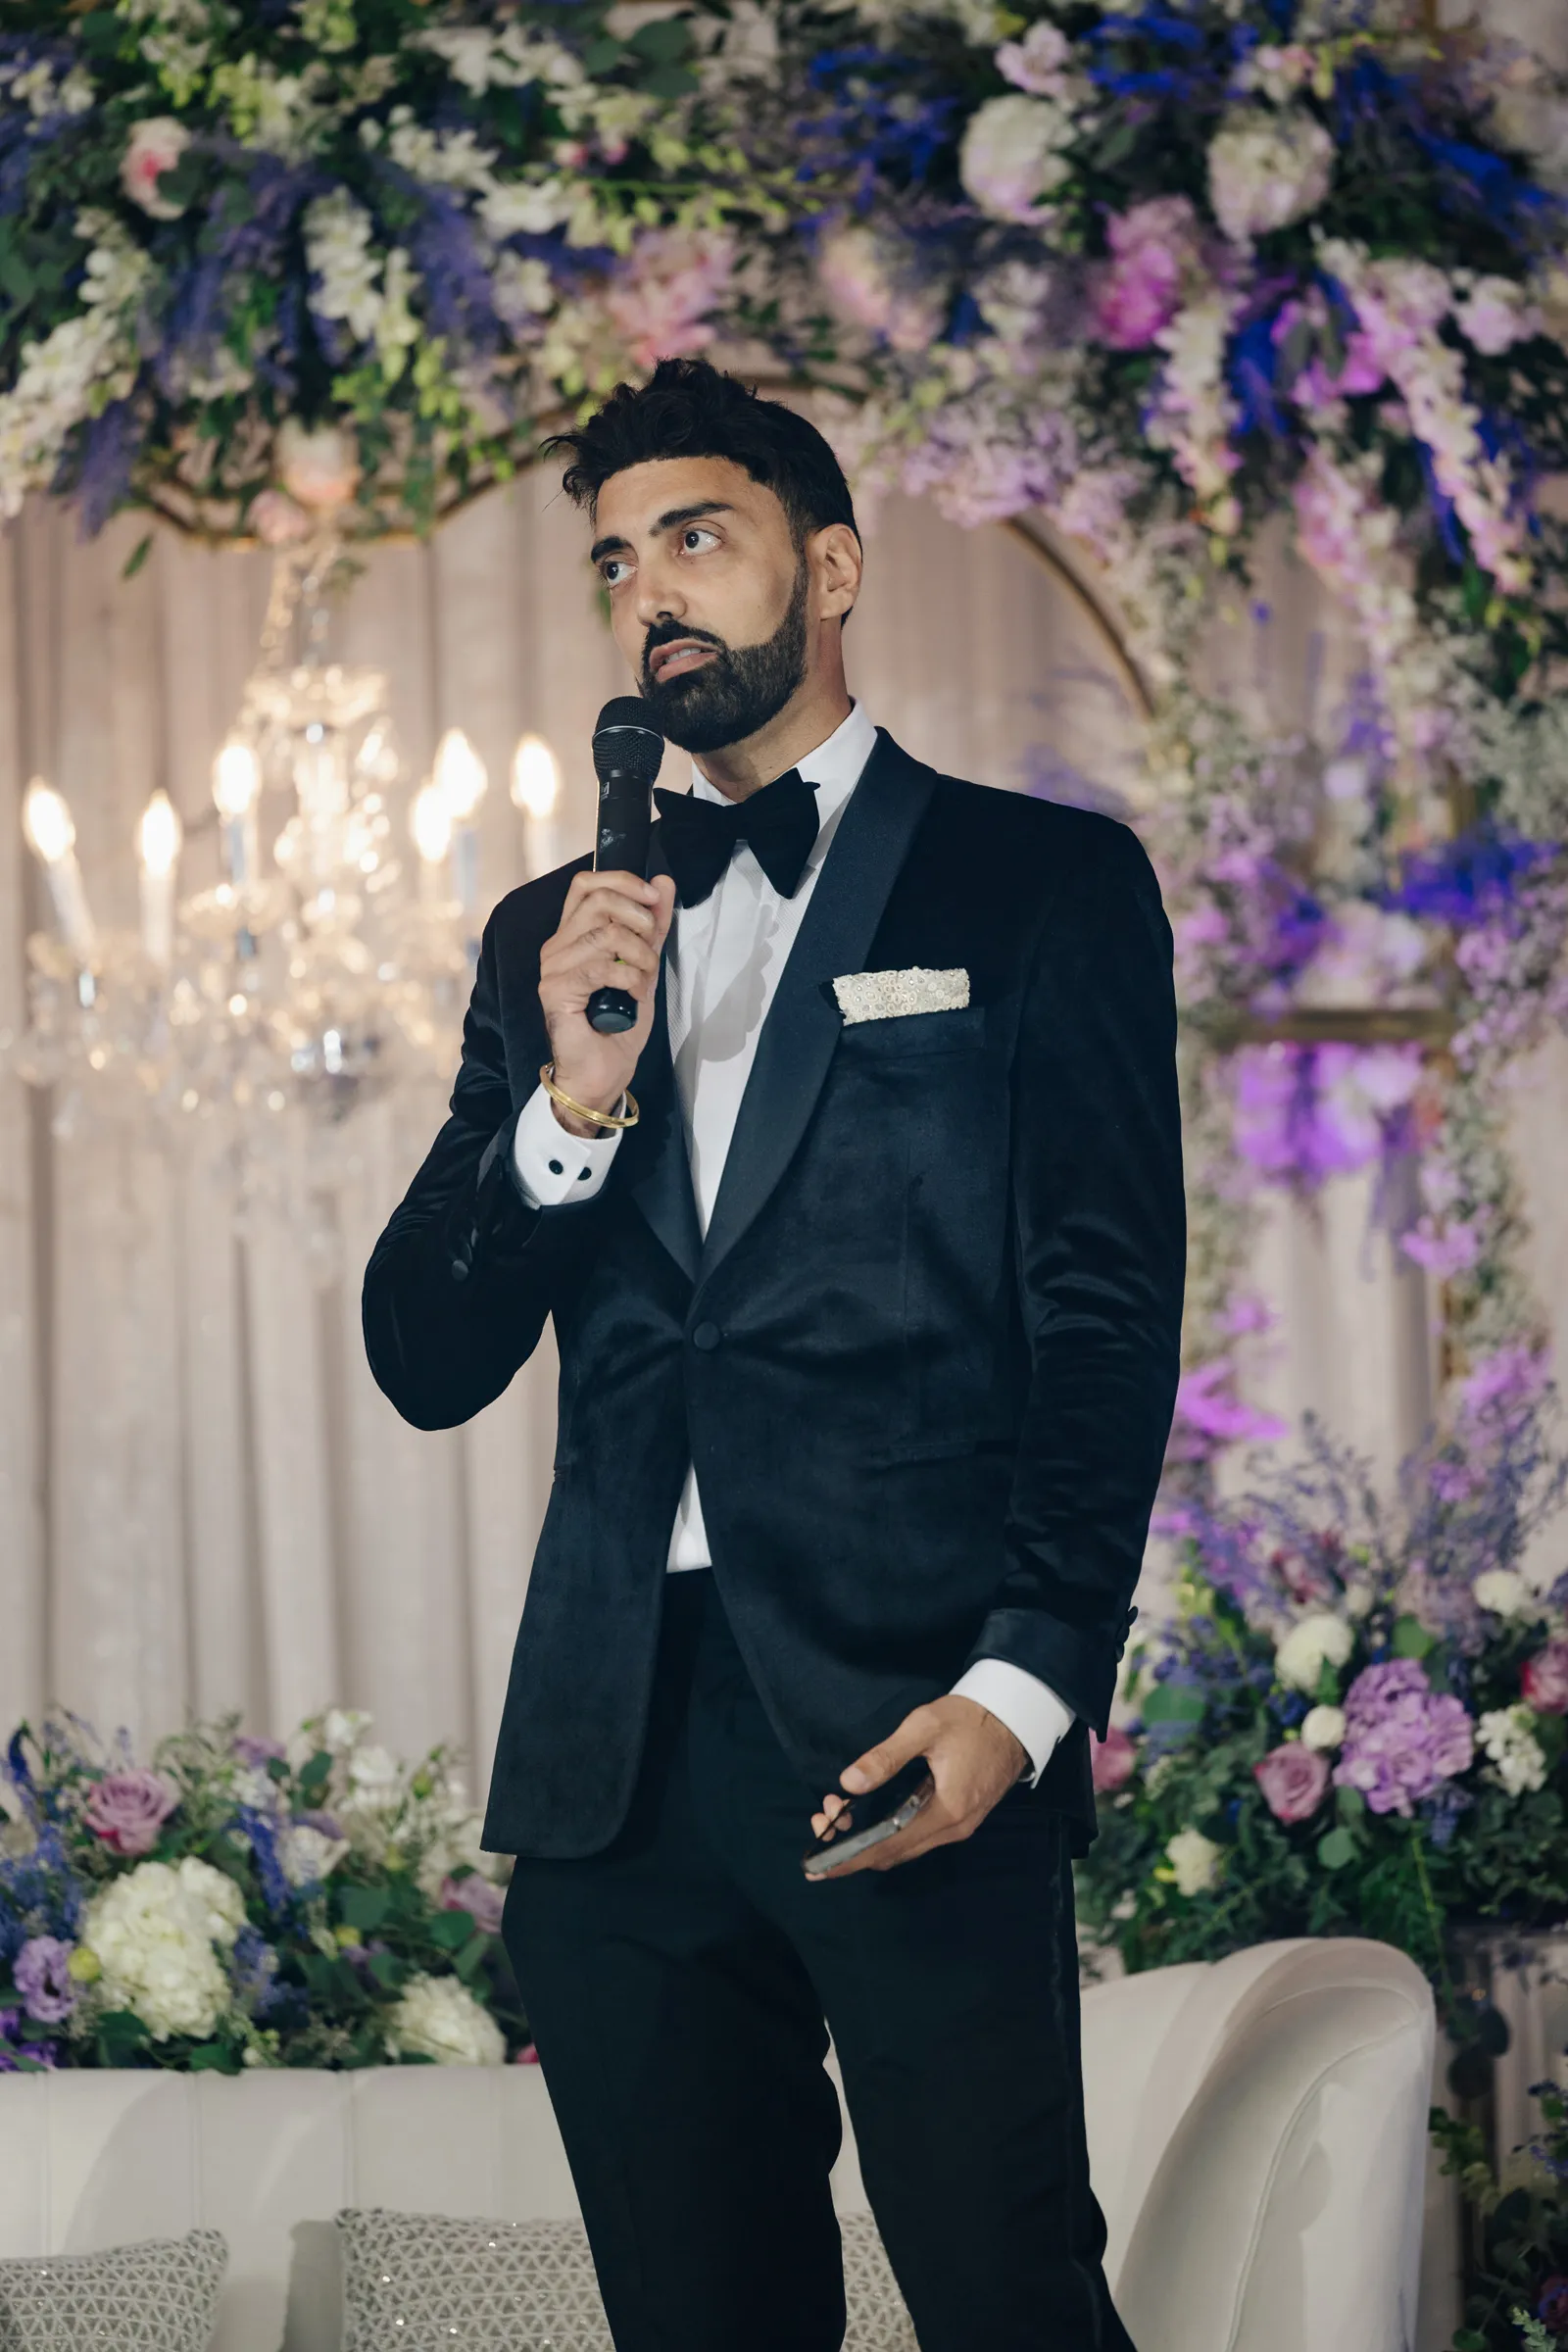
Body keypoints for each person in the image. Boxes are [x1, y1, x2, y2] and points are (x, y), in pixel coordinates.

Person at [362, 357, 1184, 2352]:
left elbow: (1103, 1318)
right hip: (613, 1756)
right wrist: (572, 1099)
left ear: (828, 568)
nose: (647, 590)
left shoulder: (1040, 882)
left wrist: (1022, 1688)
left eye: (695, 538)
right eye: (613, 562)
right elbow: (425, 1352)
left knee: (1004, 2301)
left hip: (910, 1722)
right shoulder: (549, 938)